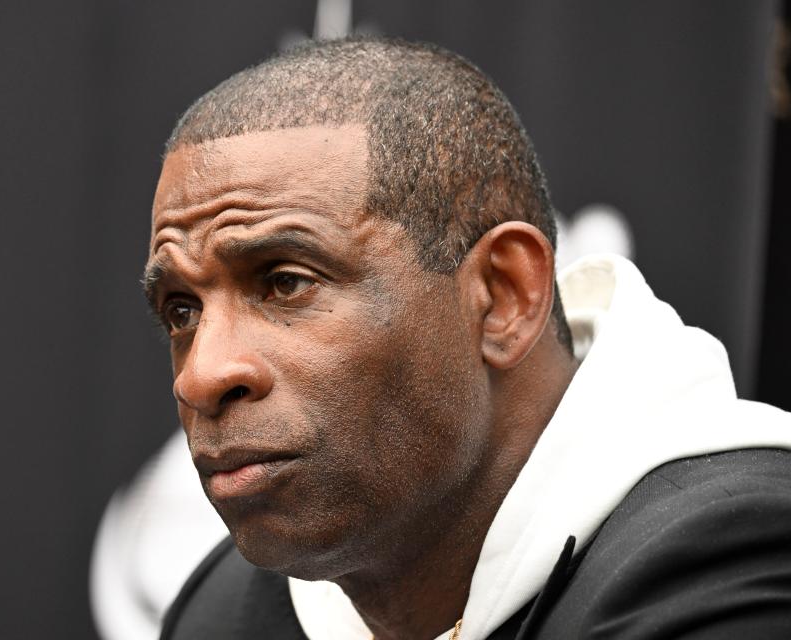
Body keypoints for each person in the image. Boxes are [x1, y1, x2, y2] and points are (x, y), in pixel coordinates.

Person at [139, 37, 791, 639]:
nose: (198, 375)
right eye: (181, 311)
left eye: (285, 282)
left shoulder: (732, 561)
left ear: (503, 297)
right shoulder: (222, 610)